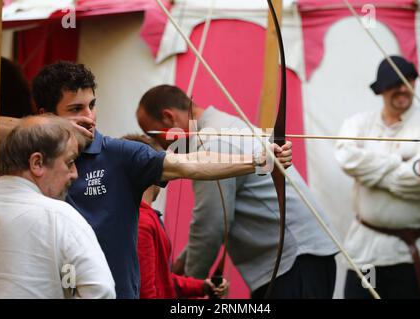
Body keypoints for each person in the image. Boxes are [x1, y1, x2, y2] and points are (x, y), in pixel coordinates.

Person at [0, 60, 292, 299]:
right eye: (75, 109)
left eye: (92, 105)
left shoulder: (119, 154)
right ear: (45, 115)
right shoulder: (28, 153)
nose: (89, 116)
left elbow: (190, 163)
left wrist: (260, 158)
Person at [136, 85, 339, 299]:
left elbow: (210, 226)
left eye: (155, 136)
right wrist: (183, 263)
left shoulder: (210, 144)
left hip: (294, 263)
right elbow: (214, 222)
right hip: (301, 258)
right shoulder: (224, 127)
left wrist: (184, 288)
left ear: (169, 118)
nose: (162, 148)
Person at [335, 56, 420, 299]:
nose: (402, 89)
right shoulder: (358, 123)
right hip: (366, 253)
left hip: (415, 256)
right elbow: (346, 158)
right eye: (394, 83)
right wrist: (402, 163)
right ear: (381, 89)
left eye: (408, 81)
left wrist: (371, 173)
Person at [0, 115, 115, 299]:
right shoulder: (60, 217)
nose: (75, 173)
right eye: (69, 162)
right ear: (37, 163)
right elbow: (101, 291)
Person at [123, 134, 229, 299]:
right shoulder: (141, 222)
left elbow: (161, 280)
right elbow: (146, 292)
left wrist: (202, 287)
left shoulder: (141, 217)